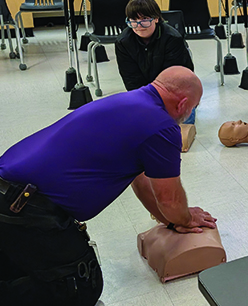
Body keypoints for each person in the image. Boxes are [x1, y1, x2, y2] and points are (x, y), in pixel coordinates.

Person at [0, 66, 216, 306]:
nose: (190, 113)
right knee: (82, 286)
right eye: (193, 107)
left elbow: (142, 180)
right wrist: (186, 219)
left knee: (16, 271)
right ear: (183, 103)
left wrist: (171, 220)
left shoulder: (128, 100)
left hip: (10, 191)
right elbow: (169, 200)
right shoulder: (162, 127)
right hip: (28, 207)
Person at [115, 0, 196, 124]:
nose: (139, 26)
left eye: (145, 19)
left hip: (176, 91)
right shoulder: (123, 42)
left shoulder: (172, 38)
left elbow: (175, 80)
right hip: (146, 92)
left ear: (156, 18)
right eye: (133, 21)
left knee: (180, 128)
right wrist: (146, 103)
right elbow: (131, 79)